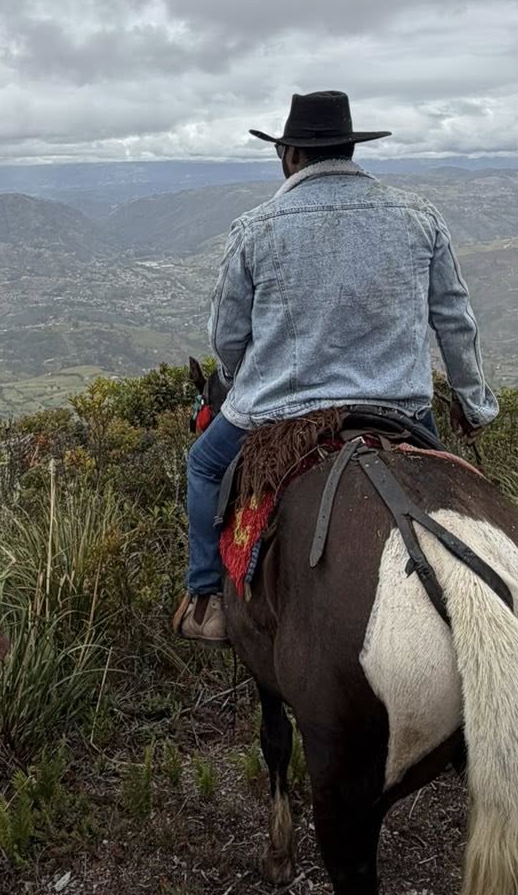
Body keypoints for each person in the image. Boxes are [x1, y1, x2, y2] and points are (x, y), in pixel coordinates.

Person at [174, 92, 499, 644]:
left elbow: (226, 339)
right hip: (400, 409)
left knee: (203, 465)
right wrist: (474, 404)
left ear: (290, 155)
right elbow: (454, 321)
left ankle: (207, 601)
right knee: (448, 493)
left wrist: (233, 376)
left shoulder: (255, 228)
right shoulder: (419, 216)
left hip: (278, 411)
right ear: (350, 148)